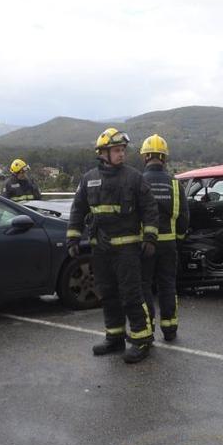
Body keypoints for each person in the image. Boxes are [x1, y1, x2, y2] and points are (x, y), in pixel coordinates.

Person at [67, 128, 159, 363]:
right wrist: (73, 238)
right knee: (107, 295)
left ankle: (142, 340)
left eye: (123, 151)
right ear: (103, 153)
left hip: (127, 251)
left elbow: (150, 209)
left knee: (131, 295)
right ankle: (114, 338)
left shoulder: (134, 177)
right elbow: (78, 210)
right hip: (101, 250)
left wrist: (149, 238)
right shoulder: (89, 179)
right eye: (117, 150)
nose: (122, 155)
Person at [139, 134, 189, 341]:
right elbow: (183, 215)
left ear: (145, 157)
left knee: (144, 286)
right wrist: (179, 237)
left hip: (144, 245)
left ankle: (146, 328)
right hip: (168, 244)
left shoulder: (138, 182)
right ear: (164, 158)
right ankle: (170, 329)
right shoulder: (175, 185)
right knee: (167, 285)